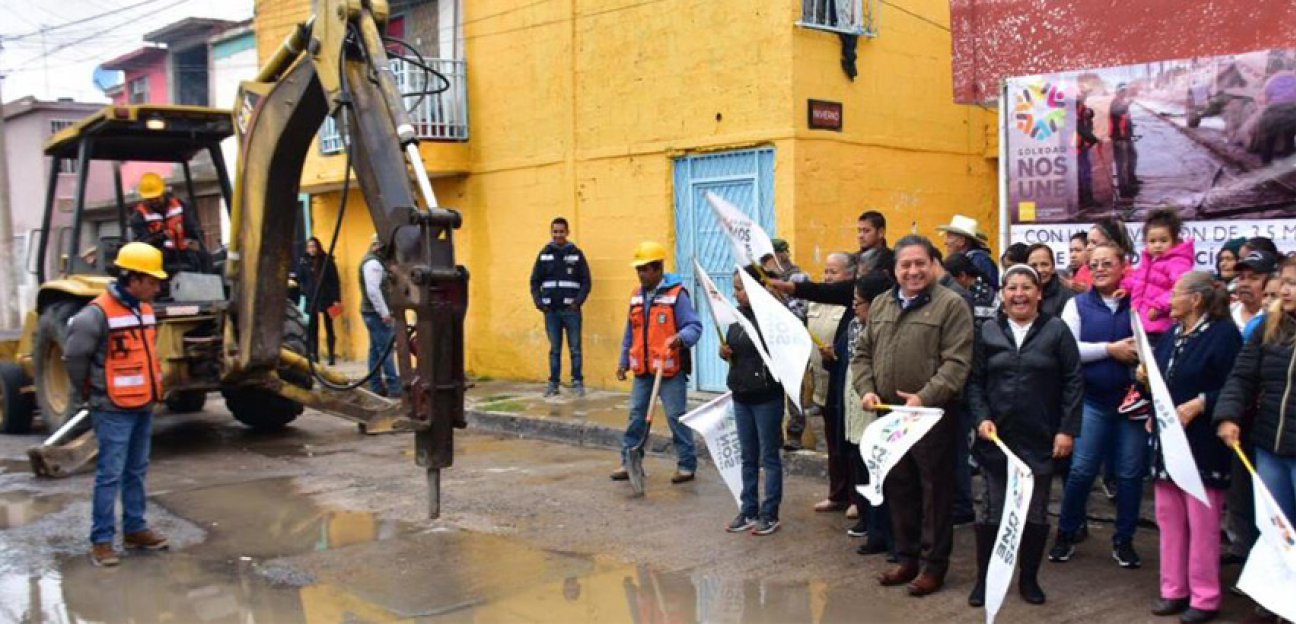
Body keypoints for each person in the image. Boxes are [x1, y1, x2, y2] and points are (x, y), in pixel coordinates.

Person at [854, 235, 974, 596]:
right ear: (895, 270)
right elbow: (862, 354)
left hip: (931, 416)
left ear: (933, 264)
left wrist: (925, 396)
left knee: (935, 492)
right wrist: (867, 389)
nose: (913, 271)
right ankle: (906, 558)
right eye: (905, 265)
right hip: (888, 415)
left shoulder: (951, 305)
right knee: (899, 486)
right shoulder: (880, 305)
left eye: (920, 263)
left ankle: (934, 566)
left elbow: (957, 363)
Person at [967, 264, 1082, 608]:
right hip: (996, 440)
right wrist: (981, 419)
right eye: (1011, 288)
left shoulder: (1057, 331)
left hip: (1040, 439)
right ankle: (984, 578)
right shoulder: (987, 330)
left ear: (1039, 293)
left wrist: (1067, 430)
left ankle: (1028, 577)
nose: (1019, 294)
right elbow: (974, 383)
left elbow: (1074, 382)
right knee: (991, 511)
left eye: (1026, 287)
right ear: (1002, 294)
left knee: (1034, 514)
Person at [64, 242, 172, 567]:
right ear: (132, 278)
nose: (157, 286)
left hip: (142, 403)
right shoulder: (95, 315)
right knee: (110, 474)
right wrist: (90, 392)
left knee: (136, 470)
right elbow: (74, 358)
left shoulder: (146, 310)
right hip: (111, 406)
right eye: (152, 281)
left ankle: (135, 529)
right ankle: (101, 541)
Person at [1146, 272, 1241, 624]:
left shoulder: (1224, 335)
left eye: (1176, 293)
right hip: (1168, 442)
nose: (1170, 299)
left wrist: (1202, 402)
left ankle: (1205, 596)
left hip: (1201, 442)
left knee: (1202, 523)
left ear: (1196, 299)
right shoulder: (1173, 334)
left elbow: (1237, 385)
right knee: (1169, 518)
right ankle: (1174, 589)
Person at [1051, 243, 1147, 568]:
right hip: (1092, 402)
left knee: (1131, 475)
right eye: (1095, 264)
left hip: (1131, 406)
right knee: (1081, 472)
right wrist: (1110, 349)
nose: (1101, 268)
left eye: (1108, 263)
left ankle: (1124, 540)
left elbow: (1147, 344)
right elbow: (1068, 350)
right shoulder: (1077, 305)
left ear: (1123, 266)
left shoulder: (1138, 303)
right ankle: (1066, 533)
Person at [1216, 254, 1296, 574]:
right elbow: (1242, 376)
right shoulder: (1269, 325)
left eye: (1293, 284)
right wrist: (1228, 415)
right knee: (1275, 531)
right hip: (1268, 448)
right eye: (1285, 282)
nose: (1286, 290)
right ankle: (1274, 605)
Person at [612, 241, 703, 484]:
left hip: (669, 370)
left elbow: (694, 327)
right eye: (638, 270)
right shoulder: (635, 296)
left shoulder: (677, 295)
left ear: (657, 269)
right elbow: (630, 333)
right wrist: (623, 362)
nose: (640, 274)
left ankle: (686, 464)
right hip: (643, 369)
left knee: (676, 416)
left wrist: (680, 338)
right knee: (636, 415)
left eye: (644, 269)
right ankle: (629, 462)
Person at [721, 267, 786, 536]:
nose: (737, 293)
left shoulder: (772, 318)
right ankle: (748, 508)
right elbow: (732, 350)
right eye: (735, 288)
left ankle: (769, 513)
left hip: (766, 396)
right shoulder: (736, 319)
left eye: (741, 288)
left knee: (768, 456)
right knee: (747, 456)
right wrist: (724, 352)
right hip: (741, 395)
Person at [529, 217, 592, 397]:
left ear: (567, 232)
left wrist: (576, 302)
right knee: (555, 350)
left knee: (575, 349)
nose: (558, 235)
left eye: (561, 231)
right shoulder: (544, 254)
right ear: (551, 232)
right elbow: (534, 281)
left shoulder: (576, 254)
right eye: (555, 231)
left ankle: (577, 382)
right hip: (551, 312)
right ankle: (553, 384)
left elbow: (586, 282)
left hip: (571, 312)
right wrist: (539, 303)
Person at [804, 253, 851, 489]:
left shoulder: (851, 303)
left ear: (850, 275)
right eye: (826, 271)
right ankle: (836, 492)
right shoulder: (816, 302)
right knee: (831, 443)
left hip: (843, 384)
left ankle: (854, 498)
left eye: (834, 272)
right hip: (822, 385)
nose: (828, 277)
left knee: (848, 444)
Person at [1124, 208, 1196, 345]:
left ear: (1174, 241)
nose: (1157, 245)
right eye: (1152, 241)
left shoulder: (1178, 263)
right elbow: (1138, 279)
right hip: (1141, 324)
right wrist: (1124, 287)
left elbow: (1182, 288)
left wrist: (1159, 306)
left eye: (1163, 241)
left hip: (1163, 327)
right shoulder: (1148, 262)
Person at [128, 172, 205, 272]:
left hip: (185, 254)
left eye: (157, 197)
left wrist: (196, 239)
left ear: (163, 193)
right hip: (158, 259)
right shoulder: (139, 216)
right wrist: (162, 236)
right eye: (150, 199)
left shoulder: (181, 206)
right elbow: (143, 243)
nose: (154, 201)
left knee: (205, 258)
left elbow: (194, 228)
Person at [360, 234, 400, 397]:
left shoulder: (373, 262)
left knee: (376, 351)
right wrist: (384, 313)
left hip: (371, 312)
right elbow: (373, 291)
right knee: (386, 351)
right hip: (375, 314)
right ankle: (394, 388)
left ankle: (376, 386)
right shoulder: (373, 263)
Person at [296, 237, 341, 365]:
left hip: (326, 297)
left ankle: (331, 355)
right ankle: (315, 355)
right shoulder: (304, 261)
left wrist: (336, 299)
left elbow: (334, 281)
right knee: (312, 328)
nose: (312, 249)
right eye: (309, 247)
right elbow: (300, 278)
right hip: (312, 298)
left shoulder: (327, 261)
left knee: (329, 327)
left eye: (314, 246)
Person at [937, 214, 998, 291]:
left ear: (962, 241)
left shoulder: (981, 261)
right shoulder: (975, 259)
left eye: (949, 237)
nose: (945, 242)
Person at [1231, 250, 1277, 331]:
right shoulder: (1227, 314)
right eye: (1241, 278)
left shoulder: (1277, 320)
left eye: (1253, 278)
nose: (1244, 284)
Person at [1027, 243, 1075, 317]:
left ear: (1053, 268)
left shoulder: (1069, 298)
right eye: (1034, 265)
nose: (1039, 270)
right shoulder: (1018, 295)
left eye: (1044, 264)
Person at [1111, 84, 1140, 199]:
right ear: (1117, 92)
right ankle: (1123, 189)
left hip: (1126, 137)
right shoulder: (1115, 103)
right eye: (1122, 91)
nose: (1124, 93)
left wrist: (1131, 132)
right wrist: (1128, 104)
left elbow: (1126, 120)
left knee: (1132, 157)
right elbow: (1118, 112)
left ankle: (1131, 180)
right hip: (1119, 138)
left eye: (1125, 91)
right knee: (1121, 164)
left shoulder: (1121, 102)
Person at [856, 210, 894, 279]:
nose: (860, 236)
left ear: (881, 232)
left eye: (866, 231)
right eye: (859, 231)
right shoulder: (854, 259)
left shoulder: (892, 260)